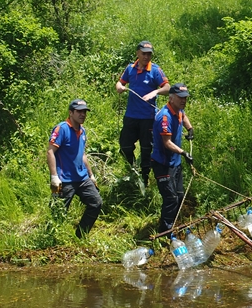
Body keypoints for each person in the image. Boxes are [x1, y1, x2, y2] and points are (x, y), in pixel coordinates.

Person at [115, 41, 170, 187]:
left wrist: (156, 91)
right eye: (144, 53)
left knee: (146, 148)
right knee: (124, 145)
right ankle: (133, 168)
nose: (146, 56)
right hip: (131, 116)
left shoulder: (155, 70)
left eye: (149, 54)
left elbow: (167, 88)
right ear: (137, 53)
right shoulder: (130, 69)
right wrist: (120, 87)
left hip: (148, 117)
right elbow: (120, 83)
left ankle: (144, 178)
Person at [47, 99, 102, 238]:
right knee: (57, 212)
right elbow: (50, 152)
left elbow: (82, 154)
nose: (82, 114)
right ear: (71, 113)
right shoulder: (62, 129)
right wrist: (54, 177)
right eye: (79, 111)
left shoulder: (82, 131)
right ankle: (51, 240)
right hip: (62, 180)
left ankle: (80, 237)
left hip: (82, 178)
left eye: (84, 112)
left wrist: (91, 175)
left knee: (96, 203)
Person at [150, 83, 195, 234]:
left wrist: (190, 128)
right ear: (171, 98)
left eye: (185, 98)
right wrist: (184, 153)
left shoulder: (178, 110)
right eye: (181, 98)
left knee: (180, 196)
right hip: (163, 164)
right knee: (171, 198)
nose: (184, 101)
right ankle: (165, 231)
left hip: (175, 163)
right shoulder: (165, 117)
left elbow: (184, 115)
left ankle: (173, 223)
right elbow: (166, 142)